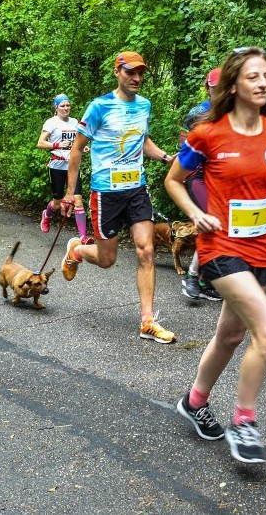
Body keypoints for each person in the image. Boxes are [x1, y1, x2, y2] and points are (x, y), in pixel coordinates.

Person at [164, 47, 266, 463]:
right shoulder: (208, 134)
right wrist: (196, 215)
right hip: (220, 248)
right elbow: (173, 180)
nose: (263, 82)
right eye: (253, 76)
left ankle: (194, 402)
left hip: (262, 249)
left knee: (230, 335)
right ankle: (244, 422)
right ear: (233, 85)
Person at [60, 51, 177, 344]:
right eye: (130, 73)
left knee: (146, 251)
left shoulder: (144, 105)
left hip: (136, 189)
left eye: (140, 74)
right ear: (117, 72)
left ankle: (147, 322)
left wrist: (165, 158)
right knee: (106, 259)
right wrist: (70, 192)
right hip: (106, 193)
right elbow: (77, 149)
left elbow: (142, 139)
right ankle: (77, 250)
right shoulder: (99, 107)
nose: (136, 78)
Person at [178, 67, 223, 301]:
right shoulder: (198, 113)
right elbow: (183, 146)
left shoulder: (236, 112)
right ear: (208, 88)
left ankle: (206, 280)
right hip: (199, 177)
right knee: (213, 221)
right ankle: (193, 276)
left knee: (224, 225)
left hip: (222, 179)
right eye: (215, 88)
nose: (220, 92)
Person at [37, 94, 92, 244]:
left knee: (78, 200)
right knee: (57, 202)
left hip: (72, 166)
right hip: (56, 166)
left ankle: (82, 237)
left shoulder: (74, 122)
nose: (66, 108)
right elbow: (40, 143)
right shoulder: (51, 123)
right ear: (56, 107)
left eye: (68, 105)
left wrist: (81, 147)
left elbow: (76, 142)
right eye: (62, 106)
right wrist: (56, 145)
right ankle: (47, 215)